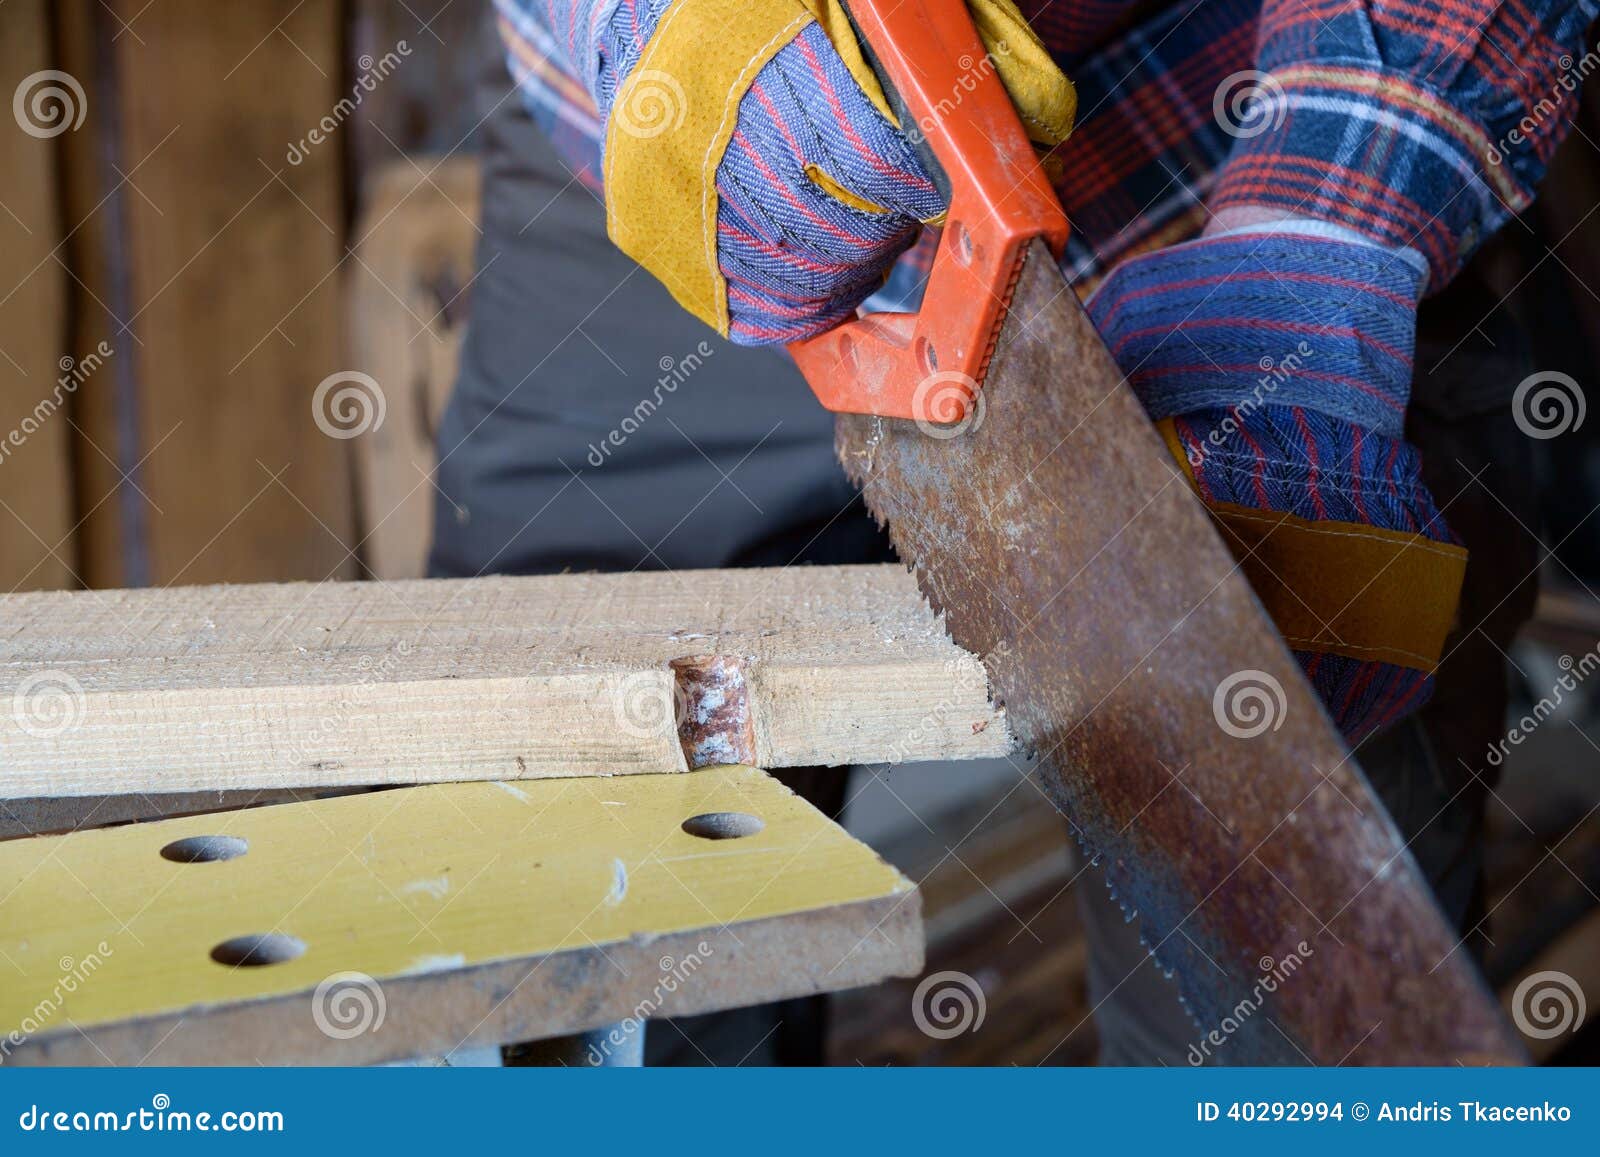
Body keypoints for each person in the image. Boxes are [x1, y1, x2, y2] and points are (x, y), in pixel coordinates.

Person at [432, 0, 1594, 1062]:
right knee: (568, 926)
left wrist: (1325, 228)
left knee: (1285, 1016)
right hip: (648, 189)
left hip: (1232, 164)